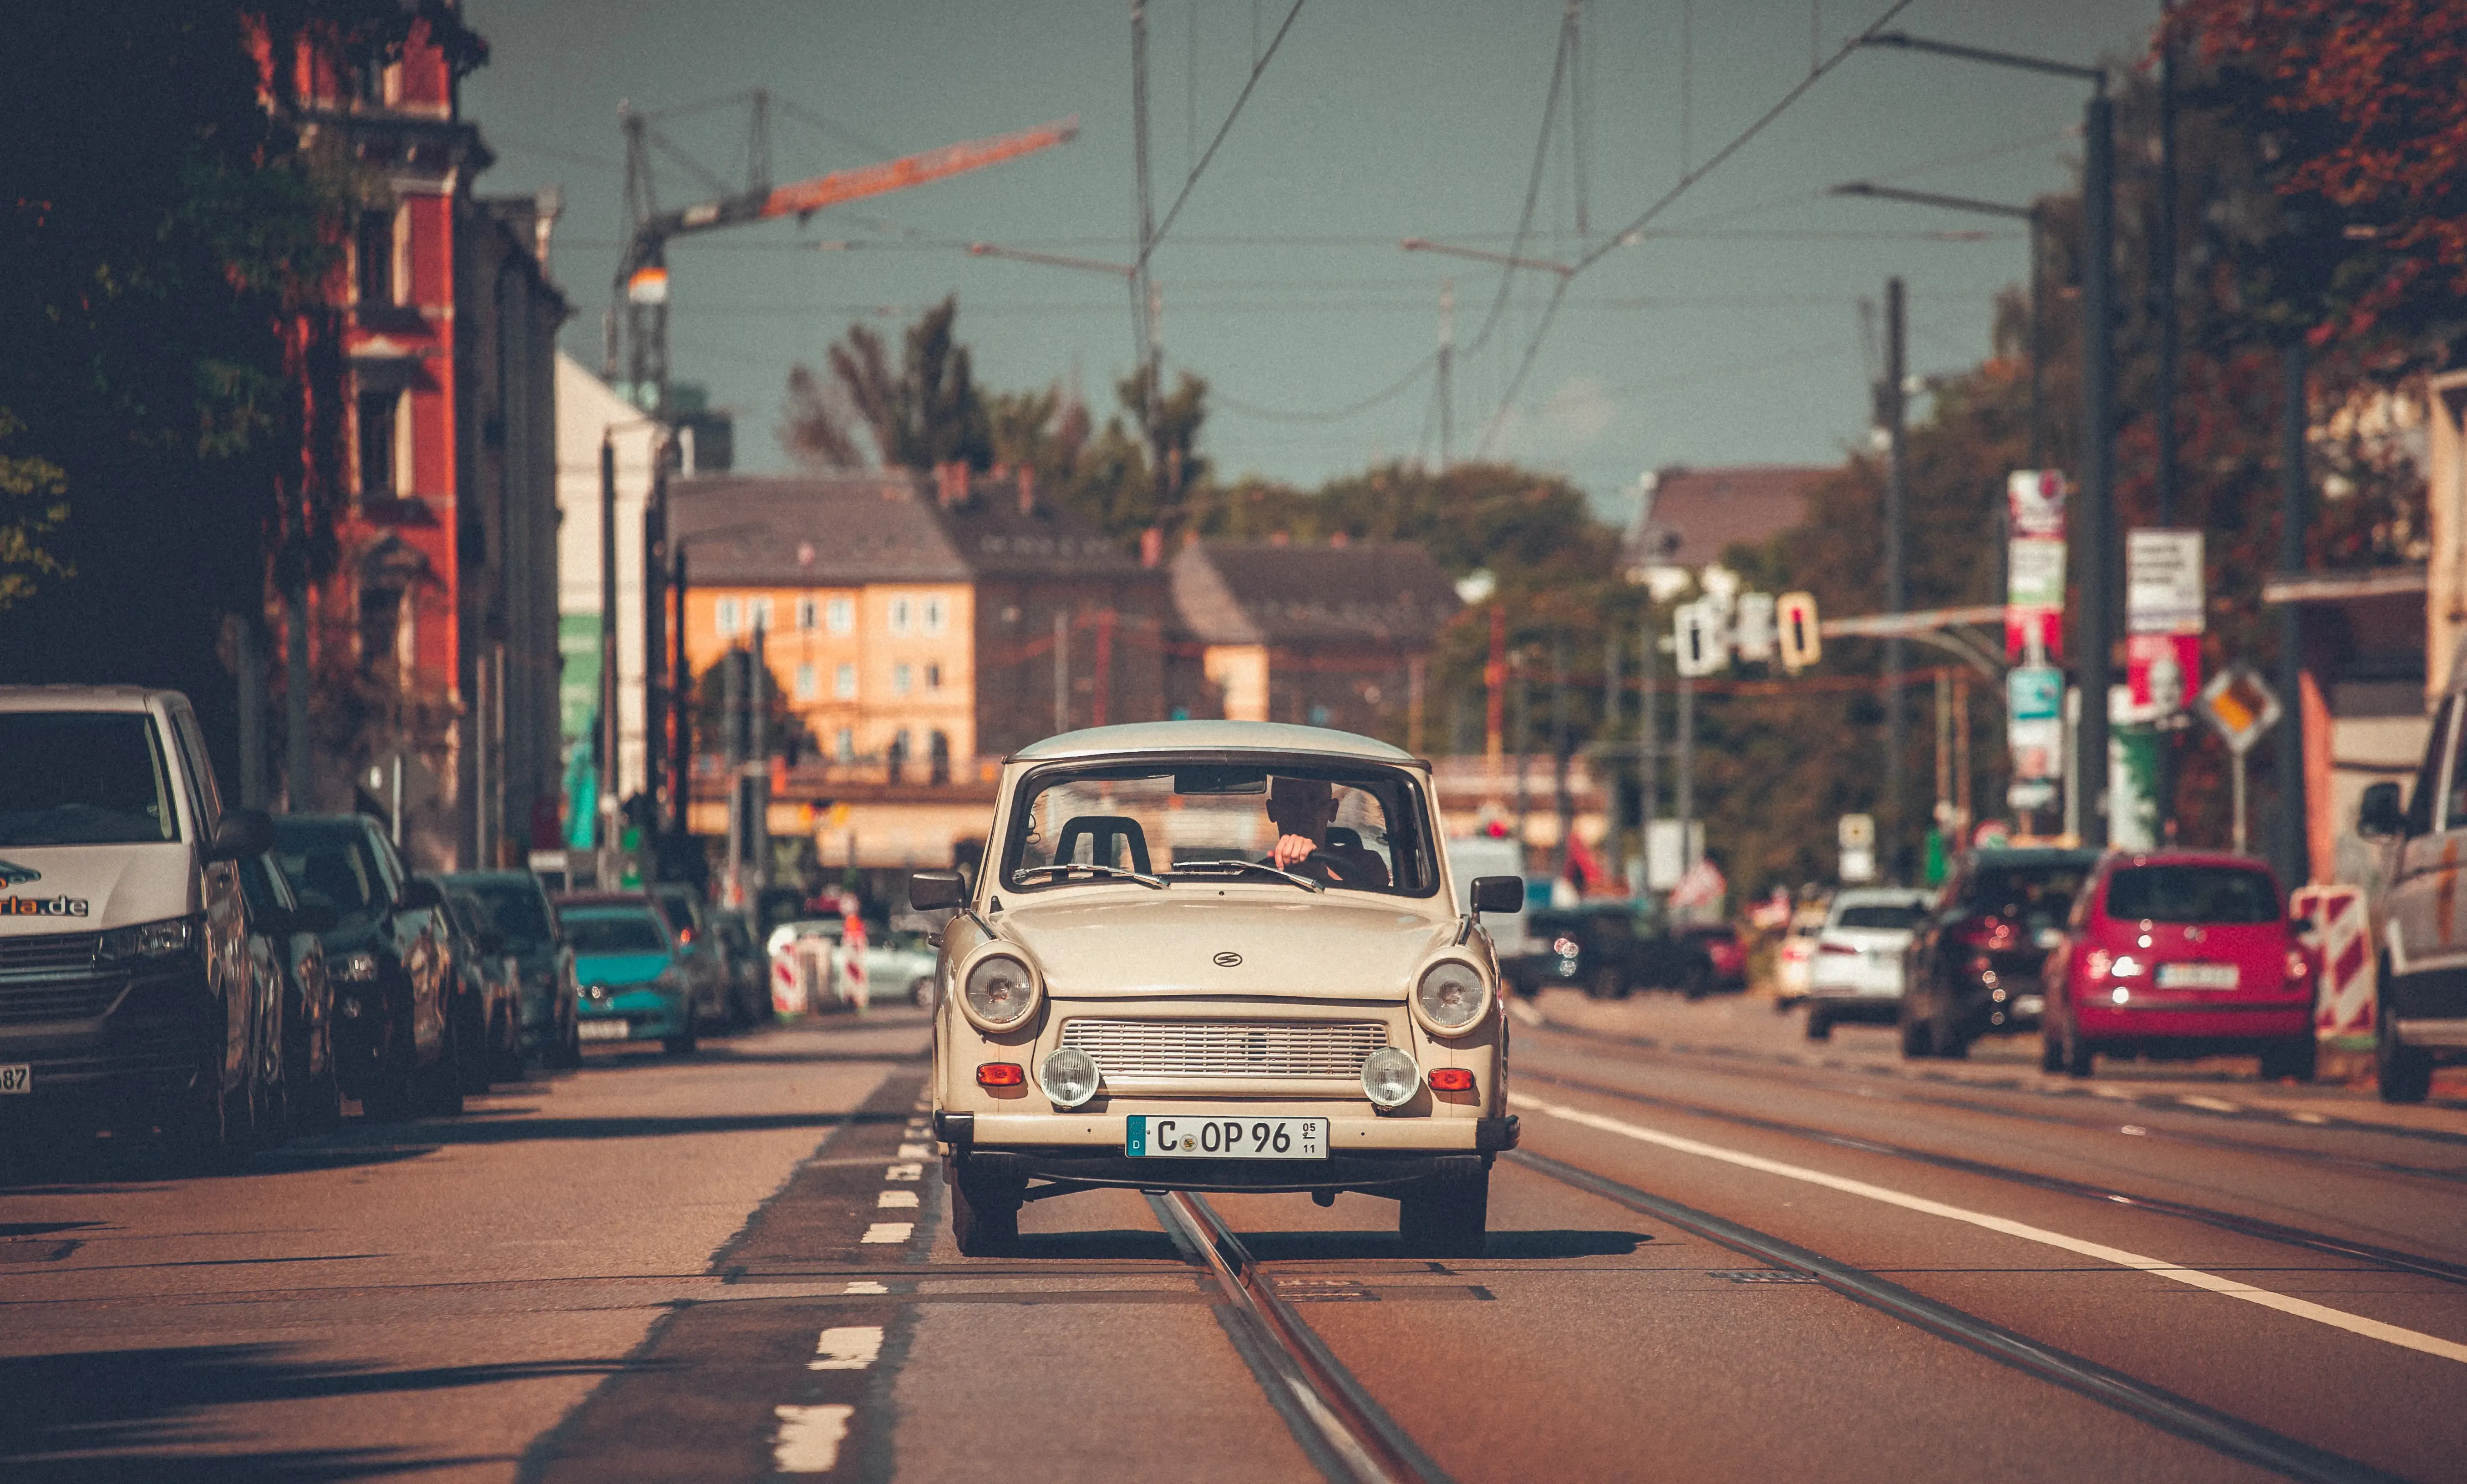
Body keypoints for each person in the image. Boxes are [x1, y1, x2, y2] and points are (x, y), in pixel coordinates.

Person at [1263, 776, 1389, 886]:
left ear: (1332, 810)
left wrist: (1318, 871)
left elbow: (1373, 904)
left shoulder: (1367, 864)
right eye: (1291, 801)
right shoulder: (1256, 875)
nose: (1304, 812)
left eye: (1314, 800)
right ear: (1273, 811)